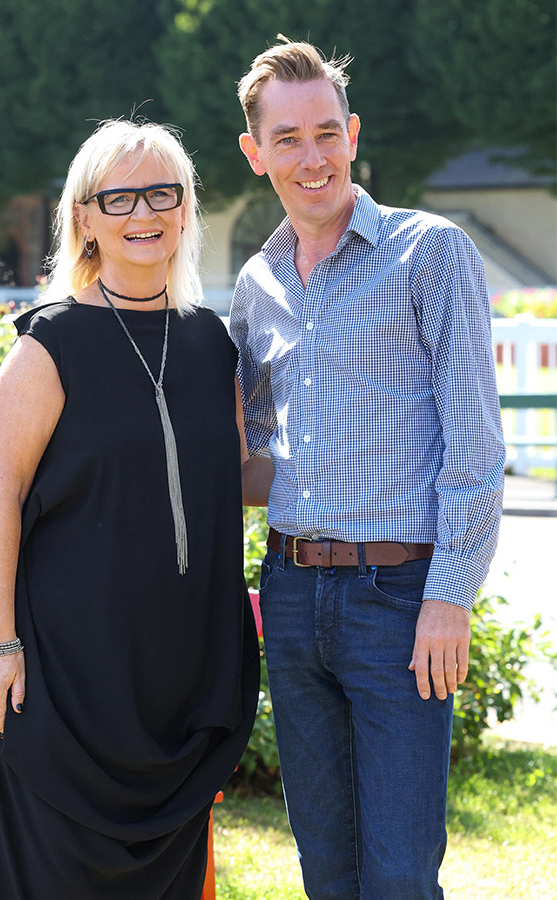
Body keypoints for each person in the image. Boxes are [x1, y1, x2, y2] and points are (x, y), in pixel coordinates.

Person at [231, 37, 505, 900]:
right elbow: (258, 448)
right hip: (291, 590)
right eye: (287, 138)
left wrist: (450, 597)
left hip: (400, 602)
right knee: (326, 863)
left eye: (325, 133)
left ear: (352, 133)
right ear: (256, 153)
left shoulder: (431, 253)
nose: (310, 157)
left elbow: (475, 442)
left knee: (397, 872)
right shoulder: (255, 283)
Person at [0, 118, 259, 900]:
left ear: (186, 209)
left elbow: (231, 476)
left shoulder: (212, 344)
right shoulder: (47, 346)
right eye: (120, 196)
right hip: (64, 683)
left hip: (180, 680)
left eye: (163, 192)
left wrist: (362, 476)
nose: (145, 213)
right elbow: (2, 499)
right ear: (85, 218)